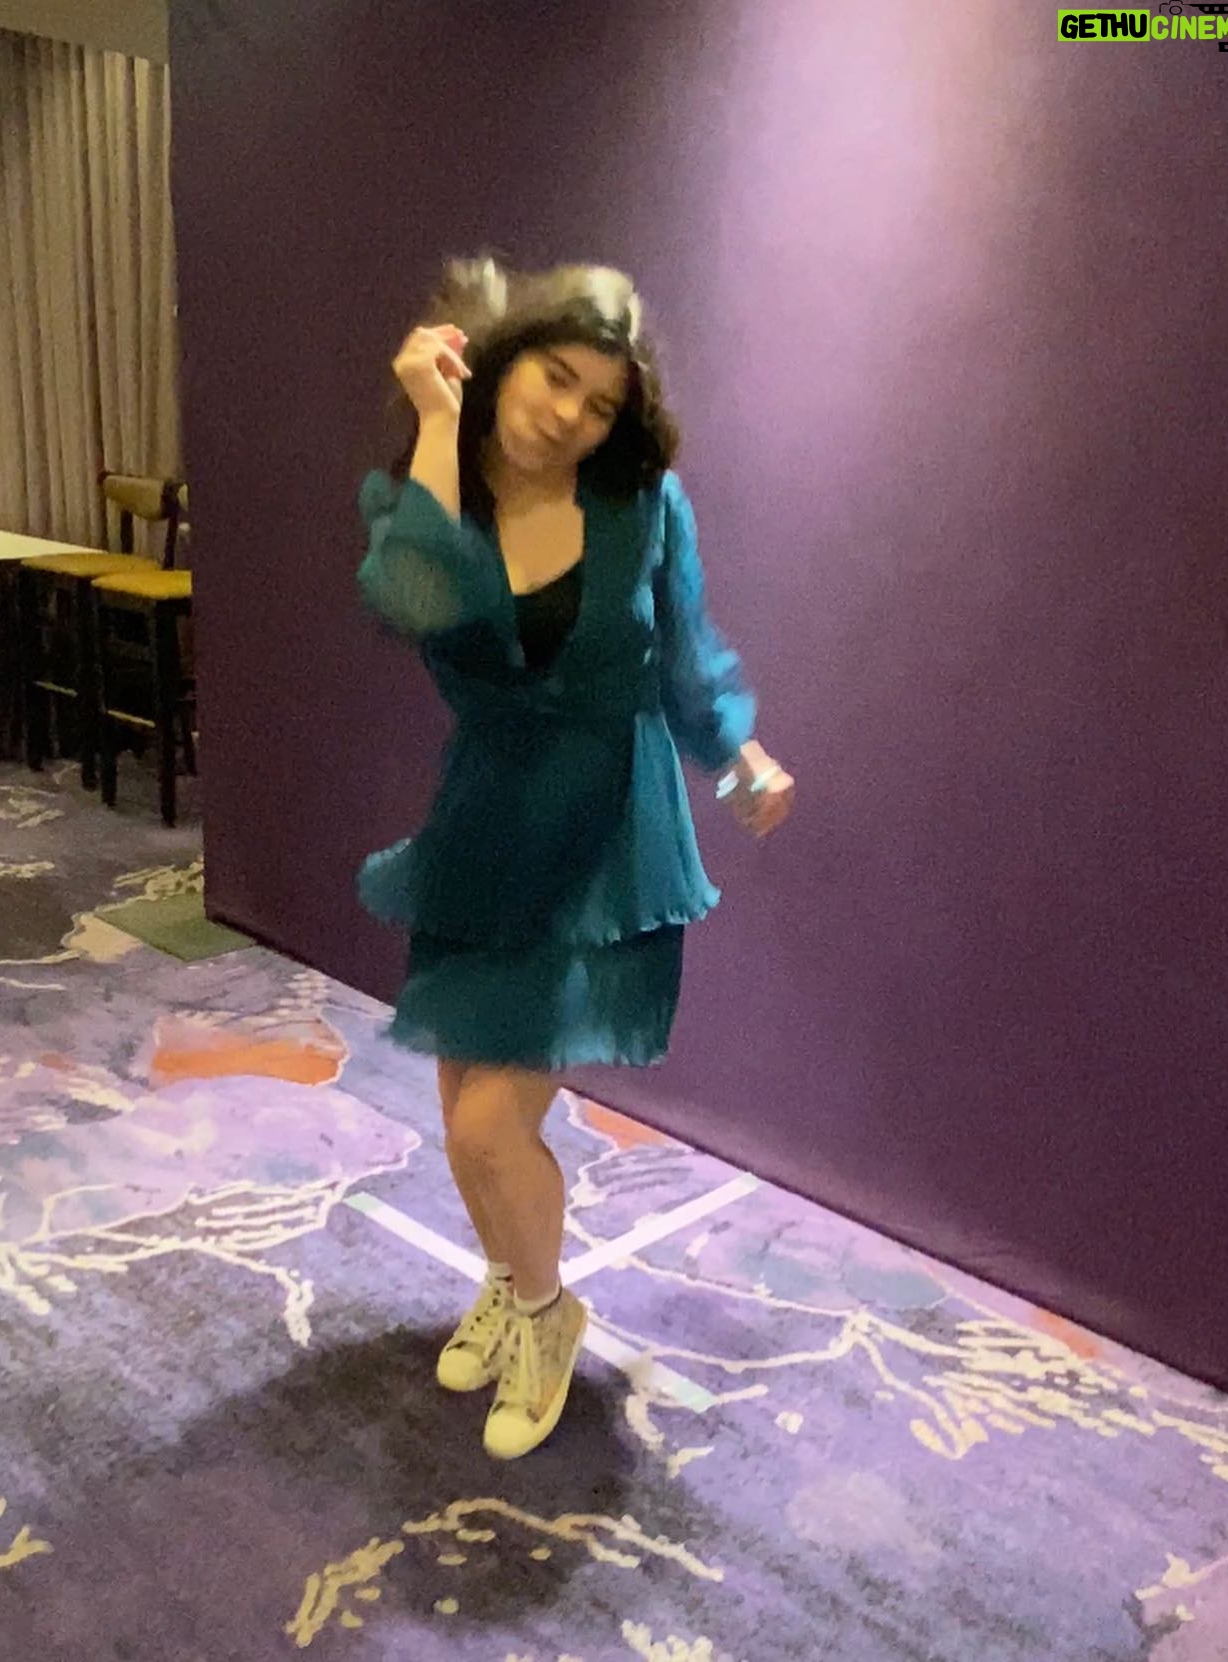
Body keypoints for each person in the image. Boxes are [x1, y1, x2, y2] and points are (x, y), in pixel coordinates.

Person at [355, 257, 794, 1460]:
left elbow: (684, 660)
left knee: (489, 1129)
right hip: (487, 828)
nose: (570, 416)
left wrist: (740, 763)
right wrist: (437, 421)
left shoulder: (642, 504)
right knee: (461, 1106)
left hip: (608, 841)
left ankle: (548, 1316)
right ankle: (511, 1281)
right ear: (504, 362)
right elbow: (412, 594)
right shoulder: (431, 491)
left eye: (600, 403)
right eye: (555, 378)